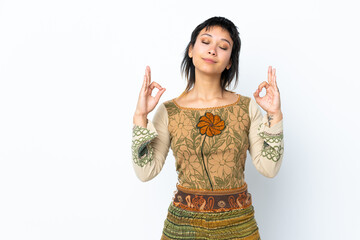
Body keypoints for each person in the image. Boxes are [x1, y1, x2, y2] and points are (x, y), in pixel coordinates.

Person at [131, 16, 284, 240]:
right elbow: (145, 172)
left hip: (239, 227)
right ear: (191, 50)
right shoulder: (169, 111)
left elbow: (269, 168)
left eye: (223, 46)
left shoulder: (246, 107)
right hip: (183, 229)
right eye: (205, 42)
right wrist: (140, 116)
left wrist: (274, 115)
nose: (213, 50)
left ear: (229, 61)